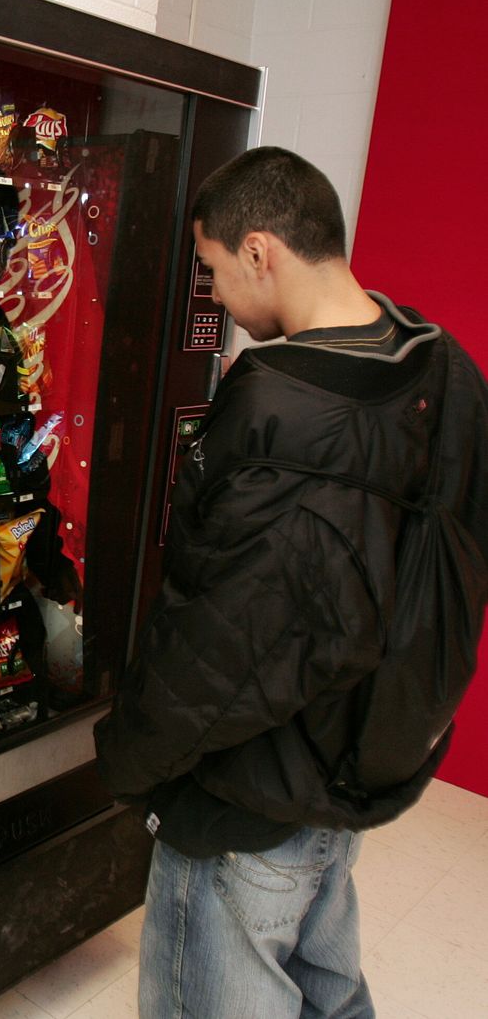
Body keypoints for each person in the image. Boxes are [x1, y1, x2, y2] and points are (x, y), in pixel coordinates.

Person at [94, 146, 488, 1019]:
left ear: (261, 251)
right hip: (347, 771)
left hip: (249, 801)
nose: (220, 302)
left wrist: (131, 759)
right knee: (326, 993)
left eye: (214, 270)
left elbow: (229, 640)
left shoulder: (278, 407)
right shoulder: (444, 365)